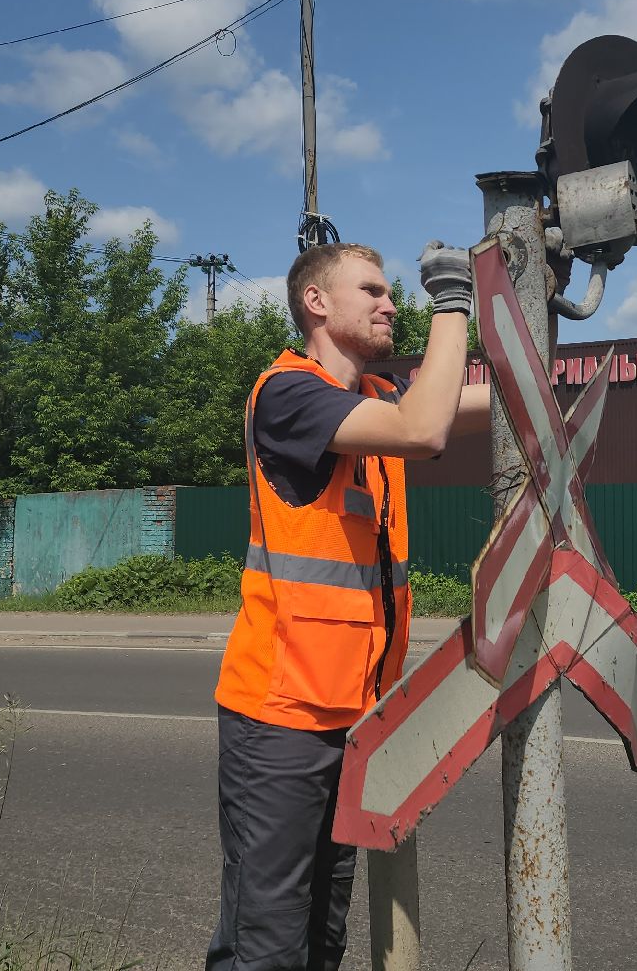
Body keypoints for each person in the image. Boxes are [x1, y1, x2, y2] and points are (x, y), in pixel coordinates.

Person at [206, 239, 490, 971]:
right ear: (317, 303)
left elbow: (451, 406)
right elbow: (424, 431)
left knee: (321, 937)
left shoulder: (370, 402)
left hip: (352, 717)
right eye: (373, 290)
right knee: (266, 943)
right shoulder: (288, 392)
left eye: (394, 291)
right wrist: (453, 302)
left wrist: (546, 379)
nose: (391, 303)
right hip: (281, 718)